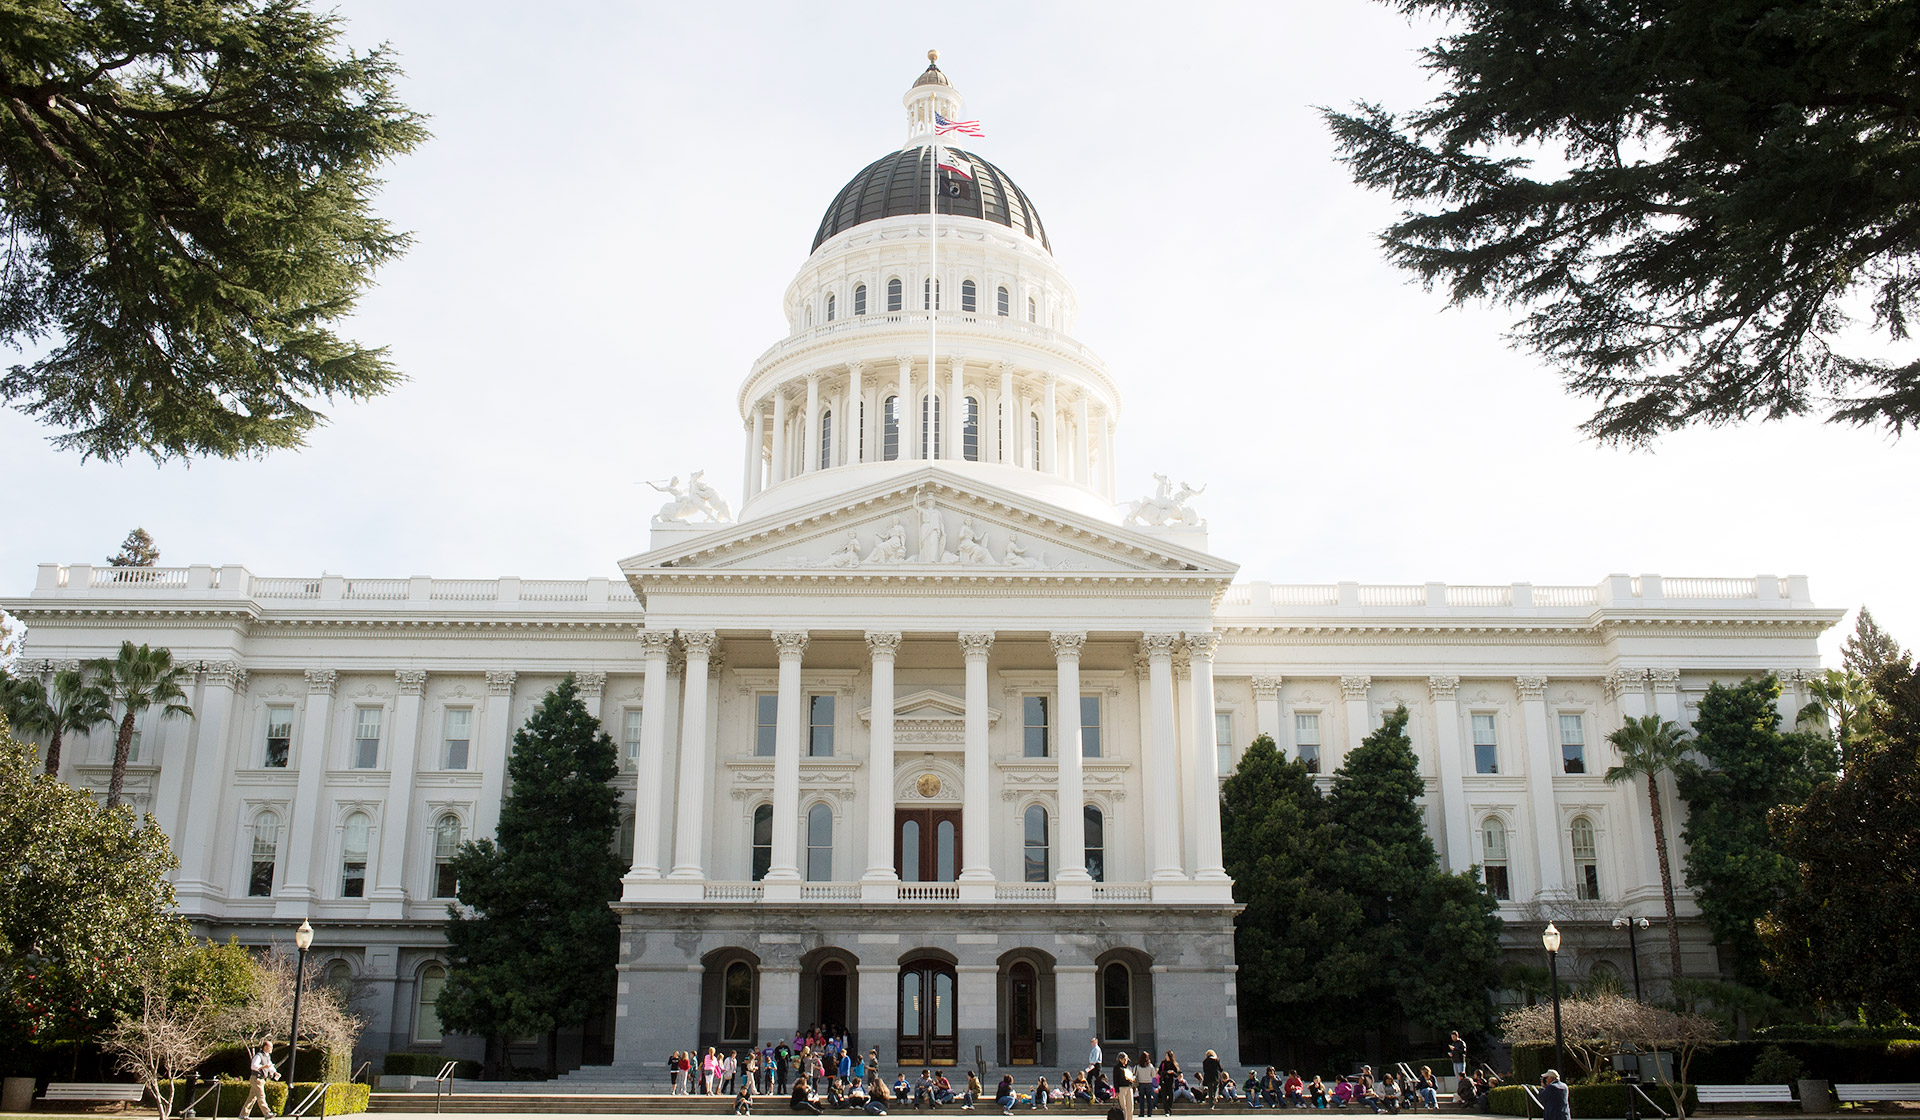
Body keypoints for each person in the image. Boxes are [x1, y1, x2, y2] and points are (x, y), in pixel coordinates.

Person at [241, 1040, 277, 1119]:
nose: (271, 1048)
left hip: (261, 1079)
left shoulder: (267, 1056)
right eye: (270, 1047)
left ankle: (243, 1114)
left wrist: (275, 1072)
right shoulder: (259, 1056)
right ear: (265, 1047)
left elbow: (270, 1066)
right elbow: (253, 1066)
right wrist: (264, 1067)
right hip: (256, 1078)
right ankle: (267, 1113)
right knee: (261, 1096)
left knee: (252, 1097)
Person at [1114, 1052, 1137, 1120]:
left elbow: (1132, 1075)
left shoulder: (1128, 1067)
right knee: (1123, 1106)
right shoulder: (1117, 1068)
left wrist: (1132, 1079)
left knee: (1130, 1106)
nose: (1126, 1061)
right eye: (1125, 1059)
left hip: (1129, 1087)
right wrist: (1116, 1090)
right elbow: (1115, 1079)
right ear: (1120, 1059)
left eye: (1126, 1059)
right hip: (1122, 1087)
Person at [1157, 1052, 1180, 1117]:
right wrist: (1166, 1072)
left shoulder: (1173, 1064)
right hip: (1164, 1081)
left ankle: (1169, 1108)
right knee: (1164, 1097)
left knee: (1171, 1096)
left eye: (1167, 1056)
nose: (1166, 1057)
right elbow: (1159, 1072)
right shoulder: (1163, 1063)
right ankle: (1166, 1111)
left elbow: (1176, 1074)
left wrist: (1172, 1072)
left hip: (1170, 1082)